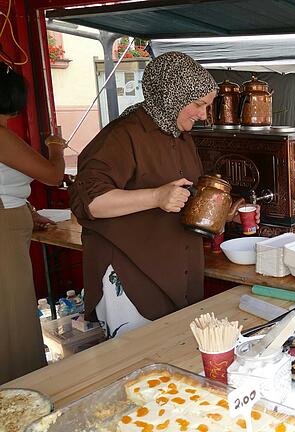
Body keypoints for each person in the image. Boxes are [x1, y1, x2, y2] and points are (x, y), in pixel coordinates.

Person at [70, 52, 247, 337]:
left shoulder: (180, 135)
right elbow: (90, 203)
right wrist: (155, 197)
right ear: (170, 96)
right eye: (198, 104)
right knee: (135, 365)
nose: (203, 114)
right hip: (132, 276)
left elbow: (186, 198)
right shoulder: (121, 135)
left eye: (208, 105)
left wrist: (226, 212)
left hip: (175, 271)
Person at [0, 63, 66, 383]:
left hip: (12, 220)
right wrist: (56, 147)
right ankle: (21, 388)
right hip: (4, 230)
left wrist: (26, 210)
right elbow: (52, 176)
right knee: (12, 317)